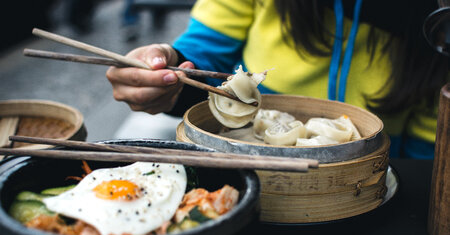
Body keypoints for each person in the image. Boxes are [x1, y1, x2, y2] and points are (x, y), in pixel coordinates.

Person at [106, 0, 447, 159]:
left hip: (373, 180)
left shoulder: (436, 14)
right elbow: (205, 55)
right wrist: (169, 74)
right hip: (240, 162)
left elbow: (430, 135)